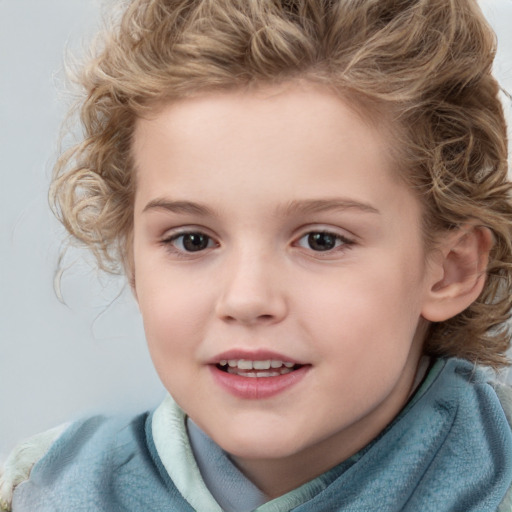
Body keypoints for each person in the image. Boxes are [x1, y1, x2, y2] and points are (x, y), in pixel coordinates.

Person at [2, 0, 512, 510]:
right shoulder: (46, 491)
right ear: (133, 262)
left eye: (321, 240)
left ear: (450, 269)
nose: (246, 299)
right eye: (192, 240)